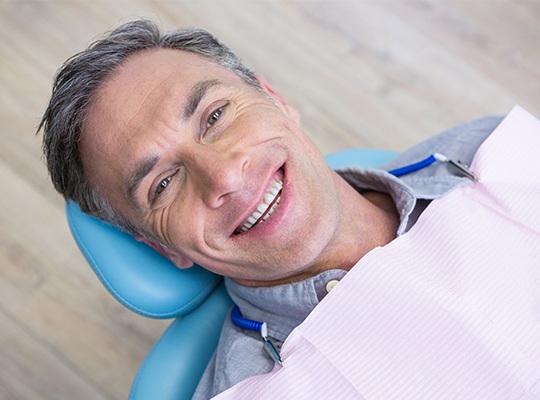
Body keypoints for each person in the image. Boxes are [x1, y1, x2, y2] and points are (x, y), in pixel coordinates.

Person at [39, 19, 503, 399]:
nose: (225, 178)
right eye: (163, 184)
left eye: (215, 116)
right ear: (161, 248)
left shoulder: (496, 151)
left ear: (274, 99)